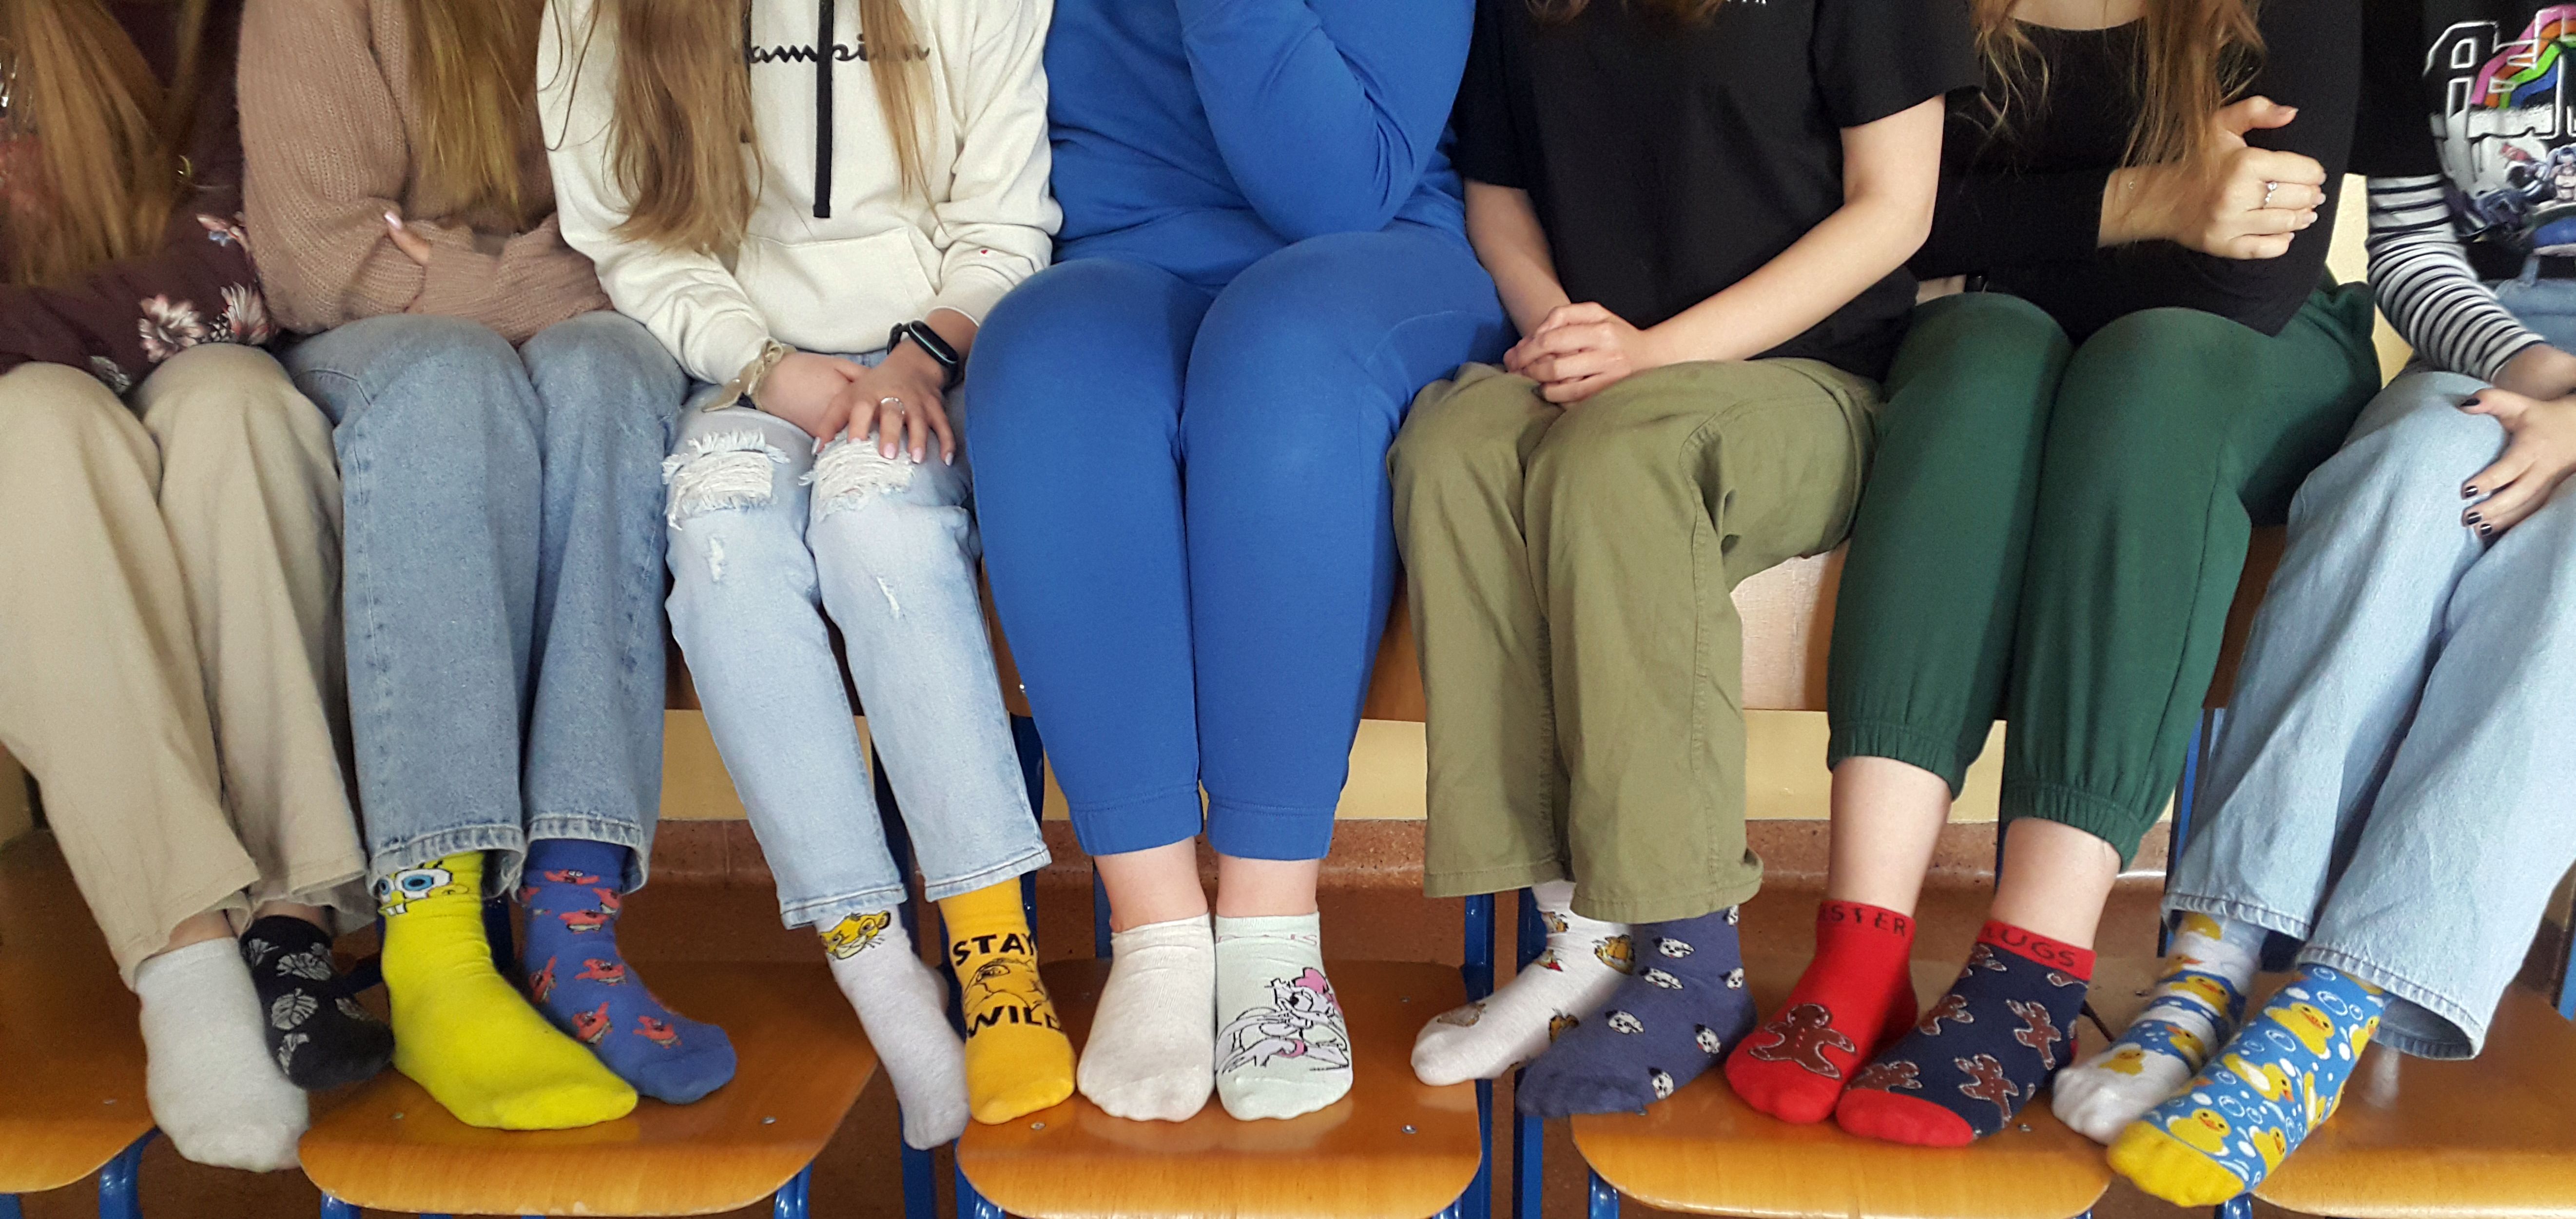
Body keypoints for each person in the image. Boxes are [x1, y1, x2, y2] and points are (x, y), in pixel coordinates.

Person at [1722, 0, 2374, 1147]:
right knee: (1974, 364)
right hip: (2019, 335)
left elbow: (2251, 283)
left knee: (2143, 373)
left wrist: (2016, 233)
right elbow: (1883, 216)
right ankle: (1862, 946)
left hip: (2245, 354)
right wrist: (2153, 200)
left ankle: (2034, 971)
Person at [1390, 0, 1976, 1118]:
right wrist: (1564, 333)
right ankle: (1581, 940)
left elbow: (1895, 208)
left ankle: (1691, 949)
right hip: (1604, 370)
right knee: (1452, 449)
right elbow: (1498, 194)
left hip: (1811, 377)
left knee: (1620, 460)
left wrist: (1654, 357)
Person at [2060, 0, 2576, 1201]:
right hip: (2498, 365)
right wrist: (2546, 379)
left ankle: (2335, 1007)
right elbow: (2412, 254)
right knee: (2399, 479)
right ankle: (2212, 960)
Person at [966, 0, 1511, 1122]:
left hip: (1375, 251)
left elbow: (1339, 190)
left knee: (1278, 357)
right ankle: (1159, 936)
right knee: (1041, 359)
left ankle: (1271, 937)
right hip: (1128, 252)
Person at [541, 0, 1065, 1147]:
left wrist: (921, 356)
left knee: (878, 525)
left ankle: (993, 952)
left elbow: (1006, 218)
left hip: (938, 359)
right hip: (742, 372)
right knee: (720, 542)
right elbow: (629, 236)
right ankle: (877, 971)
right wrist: (766, 363)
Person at [239, 0, 725, 1131]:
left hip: (575, 330)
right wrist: (578, 274)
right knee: (457, 383)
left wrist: (490, 269)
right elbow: (322, 263)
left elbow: (678, 230)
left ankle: (572, 922)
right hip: (378, 347)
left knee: (611, 378)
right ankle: (437, 942)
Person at [0, 0, 389, 1170]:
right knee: (36, 431)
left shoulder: (216, 22)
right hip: (34, 403)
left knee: (239, 409)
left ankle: (291, 921)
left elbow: (240, 263)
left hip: (201, 366)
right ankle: (185, 957)